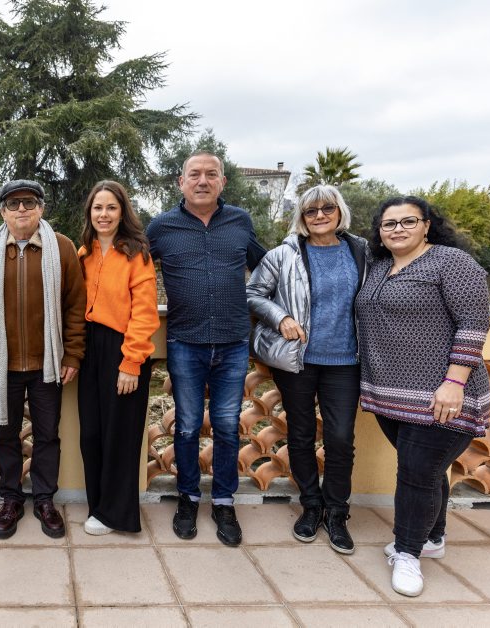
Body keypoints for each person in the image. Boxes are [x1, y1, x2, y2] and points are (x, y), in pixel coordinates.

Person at [356, 196, 490, 597]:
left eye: (408, 221)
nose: (397, 229)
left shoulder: (452, 262)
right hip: (390, 396)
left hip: (441, 395)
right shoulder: (378, 267)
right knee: (427, 471)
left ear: (427, 225)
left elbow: (474, 324)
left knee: (416, 473)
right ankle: (433, 537)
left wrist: (454, 382)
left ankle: (407, 552)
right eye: (388, 223)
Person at [146, 152, 266, 546]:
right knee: (186, 425)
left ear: (222, 182)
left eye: (210, 174)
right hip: (184, 341)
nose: (202, 181)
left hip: (233, 341)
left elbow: (266, 267)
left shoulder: (240, 221)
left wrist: (280, 311)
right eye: (194, 174)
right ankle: (188, 497)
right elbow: (133, 269)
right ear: (180, 182)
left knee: (228, 426)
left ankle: (224, 502)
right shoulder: (161, 226)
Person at [246, 185, 368, 554]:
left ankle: (337, 512)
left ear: (339, 211)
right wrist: (280, 317)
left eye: (326, 208)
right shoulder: (283, 255)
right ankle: (311, 506)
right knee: (300, 435)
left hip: (346, 361)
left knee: (340, 439)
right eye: (310, 211)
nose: (319, 216)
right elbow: (253, 293)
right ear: (301, 217)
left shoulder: (362, 251)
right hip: (297, 360)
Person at [0, 179, 86, 539]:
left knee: (48, 435)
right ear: (2, 211)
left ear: (41, 208)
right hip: (2, 366)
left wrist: (73, 354)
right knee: (5, 437)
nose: (22, 209)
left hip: (47, 363)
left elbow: (75, 306)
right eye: (14, 203)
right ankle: (11, 499)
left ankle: (45, 500)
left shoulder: (61, 248)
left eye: (29, 202)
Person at [76, 181, 159, 536]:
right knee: (92, 433)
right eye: (98, 208)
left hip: (123, 348)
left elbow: (145, 313)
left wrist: (131, 362)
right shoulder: (84, 253)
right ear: (89, 213)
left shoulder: (137, 254)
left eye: (111, 207)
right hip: (89, 348)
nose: (104, 214)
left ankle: (117, 514)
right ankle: (98, 505)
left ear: (122, 212)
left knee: (119, 434)